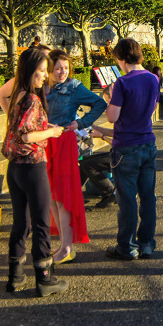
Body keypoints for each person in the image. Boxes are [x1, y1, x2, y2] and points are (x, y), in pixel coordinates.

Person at [1, 48, 68, 297]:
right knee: (41, 223)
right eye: (40, 72)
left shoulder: (17, 95)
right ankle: (45, 279)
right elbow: (26, 134)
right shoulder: (32, 99)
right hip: (32, 165)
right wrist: (50, 132)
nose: (44, 76)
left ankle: (15, 277)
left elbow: (17, 124)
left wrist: (42, 125)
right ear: (30, 71)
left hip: (14, 167)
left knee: (20, 223)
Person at [93, 38, 160, 261]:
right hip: (147, 142)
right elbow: (154, 107)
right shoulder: (153, 78)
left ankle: (127, 246)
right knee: (148, 197)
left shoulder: (122, 83)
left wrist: (111, 98)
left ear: (121, 59)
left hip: (125, 147)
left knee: (128, 199)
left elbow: (113, 117)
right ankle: (147, 243)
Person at [44, 49, 106, 263]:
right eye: (58, 68)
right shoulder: (41, 86)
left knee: (63, 197)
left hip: (63, 142)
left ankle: (66, 247)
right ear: (50, 69)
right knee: (51, 196)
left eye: (66, 68)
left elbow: (100, 103)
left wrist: (80, 123)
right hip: (45, 143)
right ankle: (64, 244)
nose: (62, 72)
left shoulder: (74, 86)